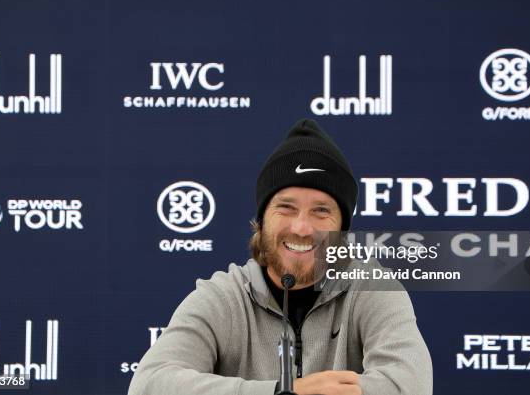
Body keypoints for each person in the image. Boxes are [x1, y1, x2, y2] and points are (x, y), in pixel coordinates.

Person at [128, 119, 432, 395]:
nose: (301, 227)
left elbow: (409, 385)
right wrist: (282, 392)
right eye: (286, 207)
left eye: (321, 211)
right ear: (262, 221)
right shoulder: (225, 296)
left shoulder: (372, 288)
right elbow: (149, 385)